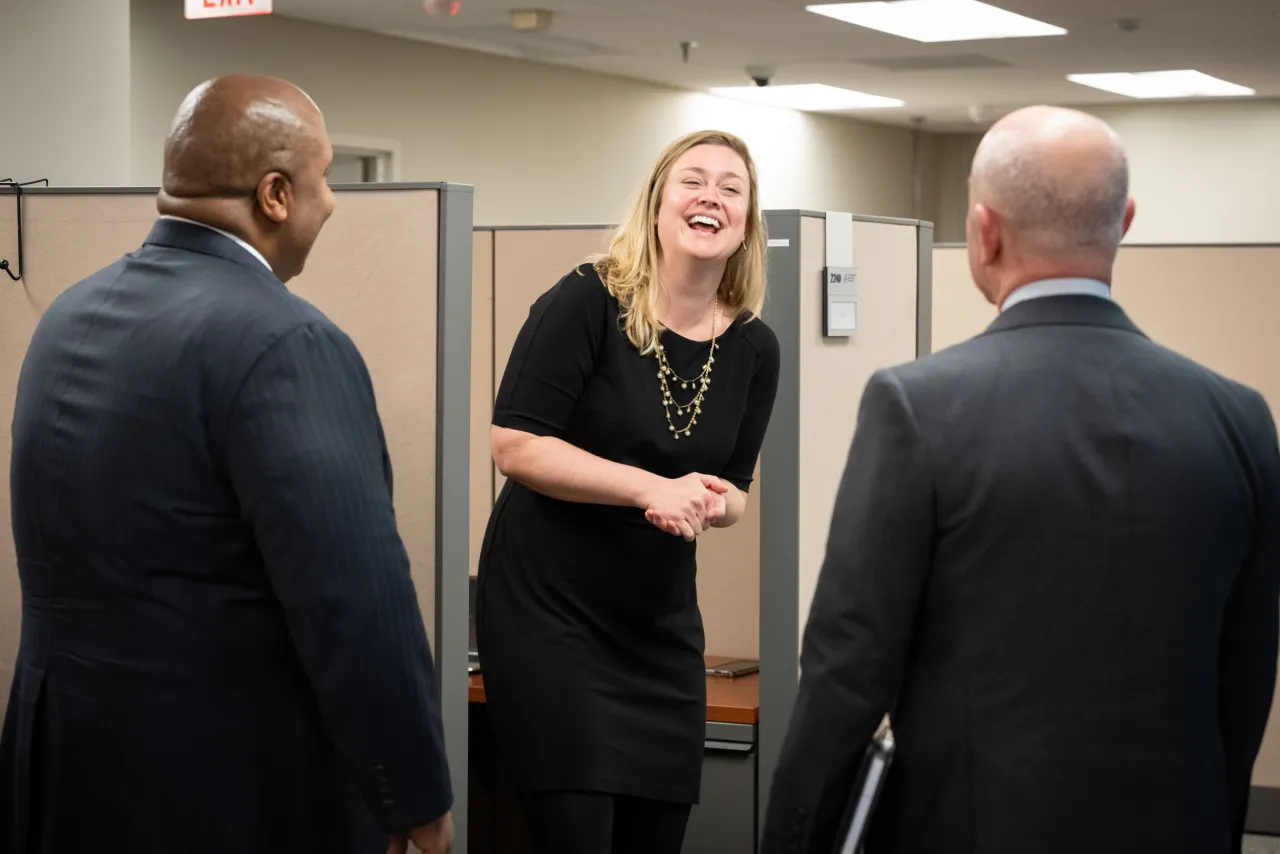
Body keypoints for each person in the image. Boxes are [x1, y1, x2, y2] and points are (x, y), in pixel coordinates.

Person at [761, 105, 1280, 854]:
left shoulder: (920, 407)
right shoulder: (1238, 419)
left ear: (985, 230)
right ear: (1124, 220)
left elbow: (847, 669)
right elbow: (1246, 671)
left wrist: (793, 837)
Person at [0, 75, 453, 854]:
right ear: (275, 194)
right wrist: (413, 794)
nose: (334, 201)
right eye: (325, 177)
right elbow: (352, 598)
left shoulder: (68, 314)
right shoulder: (285, 343)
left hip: (62, 775)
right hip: (222, 785)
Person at [477, 129, 780, 854]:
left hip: (657, 626)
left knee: (657, 835)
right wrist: (653, 489)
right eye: (693, 181)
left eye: (730, 188)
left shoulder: (754, 346)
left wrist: (707, 501)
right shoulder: (587, 300)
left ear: (745, 223)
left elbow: (734, 492)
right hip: (552, 615)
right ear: (656, 205)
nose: (711, 197)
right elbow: (514, 445)